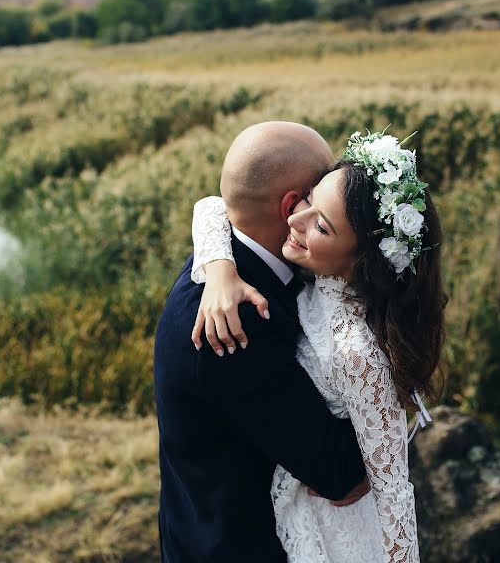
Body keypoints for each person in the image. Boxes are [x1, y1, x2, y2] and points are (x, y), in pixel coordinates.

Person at [190, 128, 447, 563]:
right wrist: (219, 269)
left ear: (361, 259)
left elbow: (395, 493)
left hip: (336, 527)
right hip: (293, 506)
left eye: (321, 227)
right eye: (309, 199)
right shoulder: (315, 274)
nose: (294, 220)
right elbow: (212, 206)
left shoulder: (356, 351)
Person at [153, 121, 369, 562]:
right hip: (234, 546)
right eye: (322, 190)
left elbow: (212, 207)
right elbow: (338, 471)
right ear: (293, 205)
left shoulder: (225, 256)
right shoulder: (240, 321)